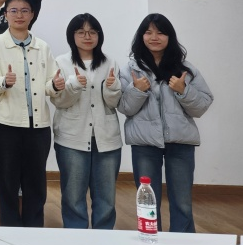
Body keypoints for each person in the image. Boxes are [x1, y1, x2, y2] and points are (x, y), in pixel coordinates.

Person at [119, 14, 213, 233]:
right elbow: (125, 108)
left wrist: (184, 90)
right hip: (144, 143)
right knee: (148, 203)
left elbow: (202, 106)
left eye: (161, 32)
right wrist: (137, 91)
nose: (154, 37)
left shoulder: (186, 69)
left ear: (170, 37)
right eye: (148, 32)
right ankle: (150, 242)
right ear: (141, 36)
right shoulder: (130, 70)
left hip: (180, 142)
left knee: (182, 202)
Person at [0, 0, 61, 227]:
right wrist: (3, 82)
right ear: (5, 15)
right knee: (7, 184)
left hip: (38, 126)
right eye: (13, 11)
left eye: (25, 10)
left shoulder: (42, 47)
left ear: (32, 14)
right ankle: (10, 231)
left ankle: (34, 230)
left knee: (36, 184)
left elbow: (49, 84)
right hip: (6, 126)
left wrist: (56, 86)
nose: (19, 15)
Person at [51, 13, 123, 230]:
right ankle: (76, 239)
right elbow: (59, 102)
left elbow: (114, 103)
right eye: (81, 32)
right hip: (71, 137)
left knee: (106, 197)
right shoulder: (61, 62)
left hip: (106, 138)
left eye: (92, 32)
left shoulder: (110, 62)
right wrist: (73, 86)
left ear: (99, 35)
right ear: (72, 36)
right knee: (73, 197)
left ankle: (104, 237)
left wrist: (112, 88)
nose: (87, 36)